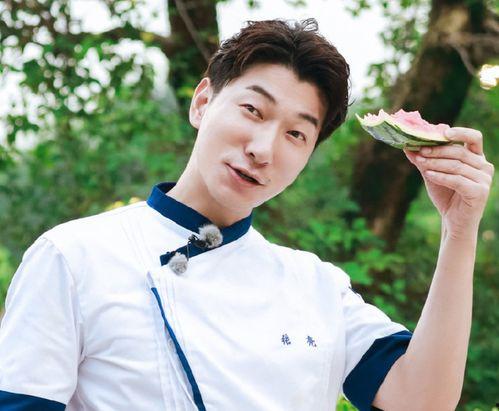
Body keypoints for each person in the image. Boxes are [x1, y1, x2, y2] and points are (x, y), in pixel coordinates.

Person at [0, 17, 493, 411]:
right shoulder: (72, 256)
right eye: (253, 110)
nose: (263, 149)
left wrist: (459, 229)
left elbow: (421, 400)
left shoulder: (316, 285)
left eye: (296, 134)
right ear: (202, 102)